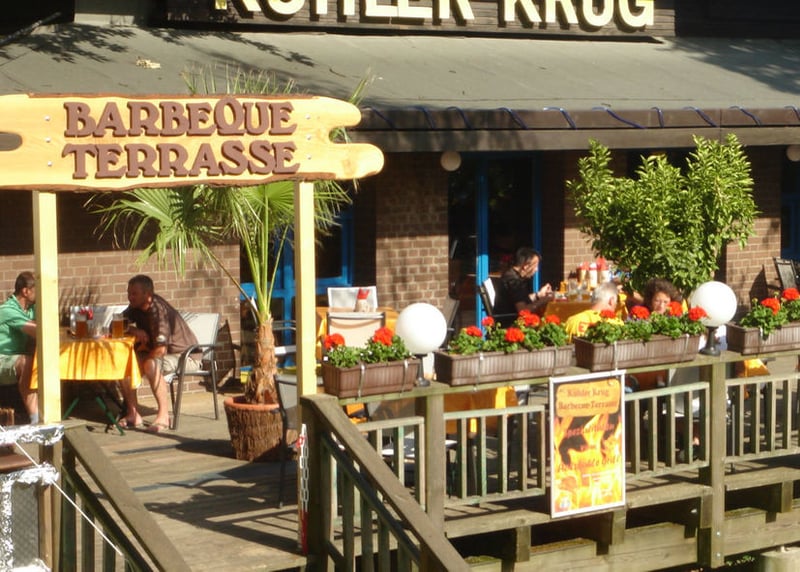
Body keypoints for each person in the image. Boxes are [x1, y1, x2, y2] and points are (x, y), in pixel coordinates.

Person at [120, 275, 201, 433]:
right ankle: (133, 414)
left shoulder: (158, 312)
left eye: (134, 293)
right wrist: (133, 329)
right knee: (125, 363)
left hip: (185, 356)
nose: (130, 297)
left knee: (150, 364)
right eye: (129, 293)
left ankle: (163, 416)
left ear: (147, 294)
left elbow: (160, 350)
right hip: (162, 354)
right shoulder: (135, 307)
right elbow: (115, 324)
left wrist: (143, 362)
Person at [0, 272, 38, 424]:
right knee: (26, 362)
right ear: (26, 291)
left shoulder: (31, 308)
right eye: (37, 290)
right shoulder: (7, 310)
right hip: (2, 358)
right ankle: (36, 419)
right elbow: (38, 331)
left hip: (15, 357)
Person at [493, 247, 553, 325]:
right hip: (510, 323)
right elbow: (523, 311)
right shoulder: (514, 282)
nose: (536, 270)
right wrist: (544, 300)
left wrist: (538, 295)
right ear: (526, 266)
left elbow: (521, 300)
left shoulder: (510, 275)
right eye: (535, 266)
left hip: (505, 319)